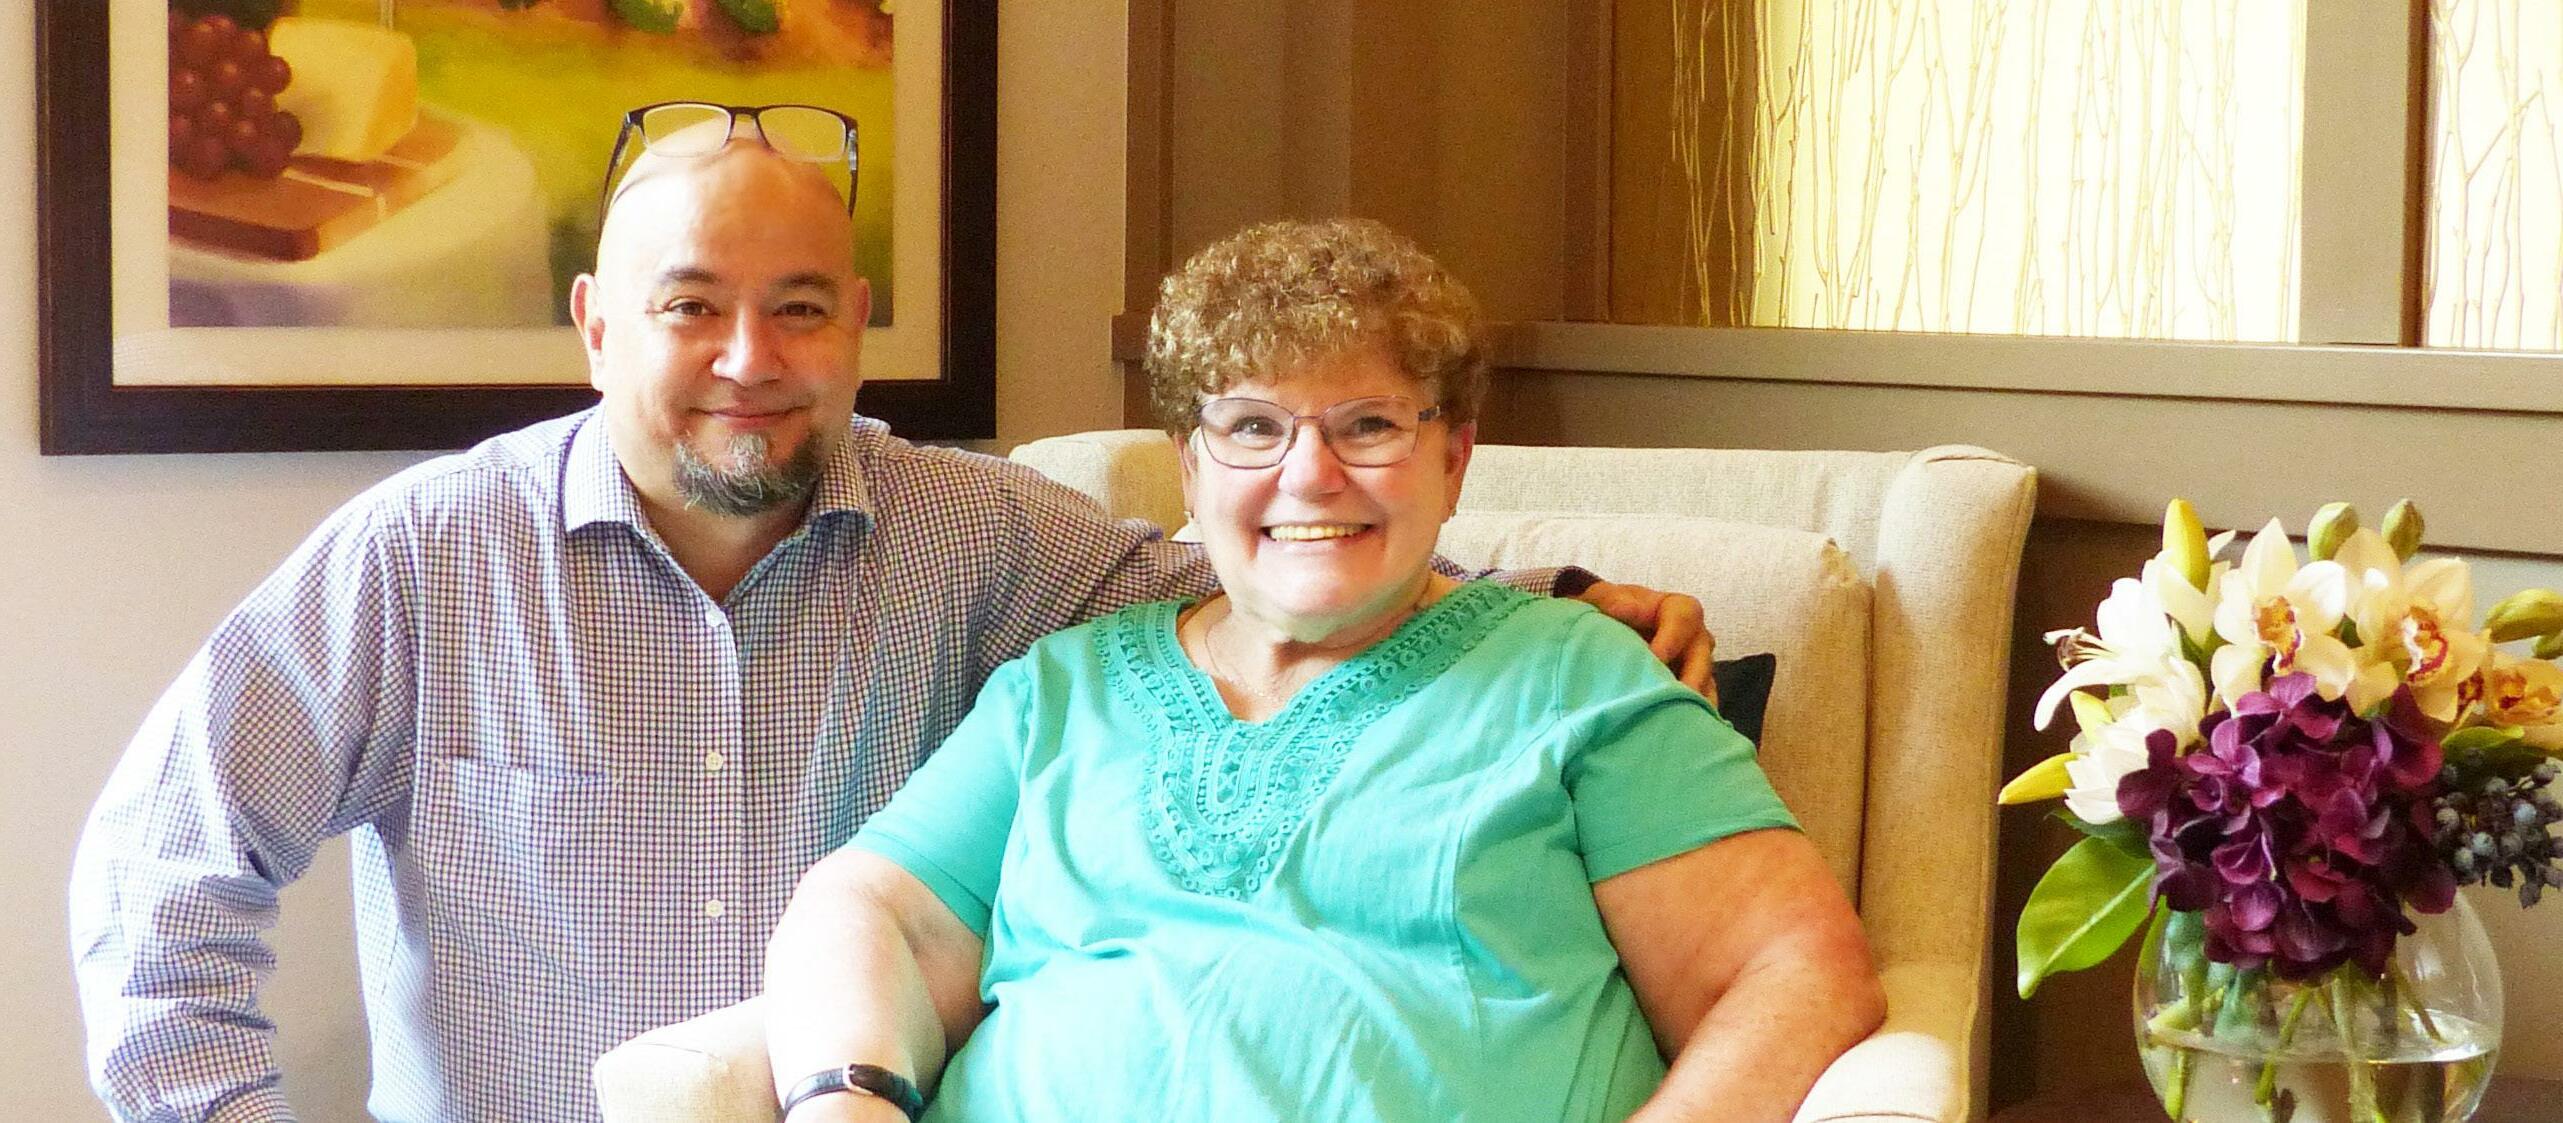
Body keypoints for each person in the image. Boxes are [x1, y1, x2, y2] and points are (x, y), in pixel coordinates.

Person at [68, 107, 1711, 1122]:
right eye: (689, 306)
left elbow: (1263, 574)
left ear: (856, 320)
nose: (748, 357)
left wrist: (1550, 599)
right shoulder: (424, 559)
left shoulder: (979, 532)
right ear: (593, 326)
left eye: (798, 307)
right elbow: (165, 868)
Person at [760, 219, 1886, 1123]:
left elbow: (1795, 970)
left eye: (1368, 425)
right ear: (1189, 469)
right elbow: (875, 912)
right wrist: (848, 1098)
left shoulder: (1573, 675)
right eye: (1253, 427)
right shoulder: (1057, 688)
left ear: (1453, 457)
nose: (1309, 474)